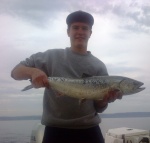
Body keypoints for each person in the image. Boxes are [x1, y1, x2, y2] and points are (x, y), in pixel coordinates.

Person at [11, 11, 122, 143]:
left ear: (90, 33)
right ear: (68, 31)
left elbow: (99, 107)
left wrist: (105, 99)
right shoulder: (50, 57)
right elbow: (15, 72)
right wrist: (33, 72)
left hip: (89, 130)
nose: (80, 31)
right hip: (55, 130)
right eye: (75, 27)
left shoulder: (99, 66)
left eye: (85, 28)